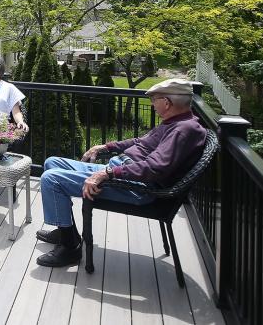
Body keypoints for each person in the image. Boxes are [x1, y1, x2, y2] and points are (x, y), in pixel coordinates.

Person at [35, 78, 207, 267]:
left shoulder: (183, 130)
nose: (152, 104)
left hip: (135, 186)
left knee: (51, 179)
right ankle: (66, 230)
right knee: (52, 162)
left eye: (154, 99)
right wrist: (105, 147)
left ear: (166, 102)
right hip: (123, 171)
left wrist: (108, 173)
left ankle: (70, 248)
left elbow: (153, 168)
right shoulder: (174, 122)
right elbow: (140, 143)